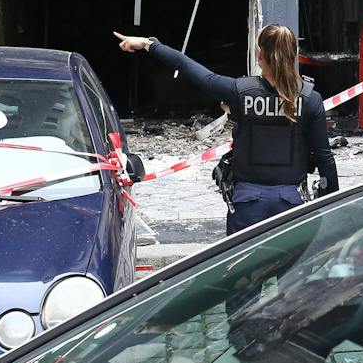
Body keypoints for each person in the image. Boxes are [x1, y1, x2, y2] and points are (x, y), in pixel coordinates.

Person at [113, 24, 338, 234]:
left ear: (260, 54)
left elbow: (188, 67)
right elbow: (324, 158)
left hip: (247, 205)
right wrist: (337, 208)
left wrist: (148, 44)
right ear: (293, 54)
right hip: (292, 204)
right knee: (290, 273)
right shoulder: (310, 99)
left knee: (244, 274)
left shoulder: (239, 92)